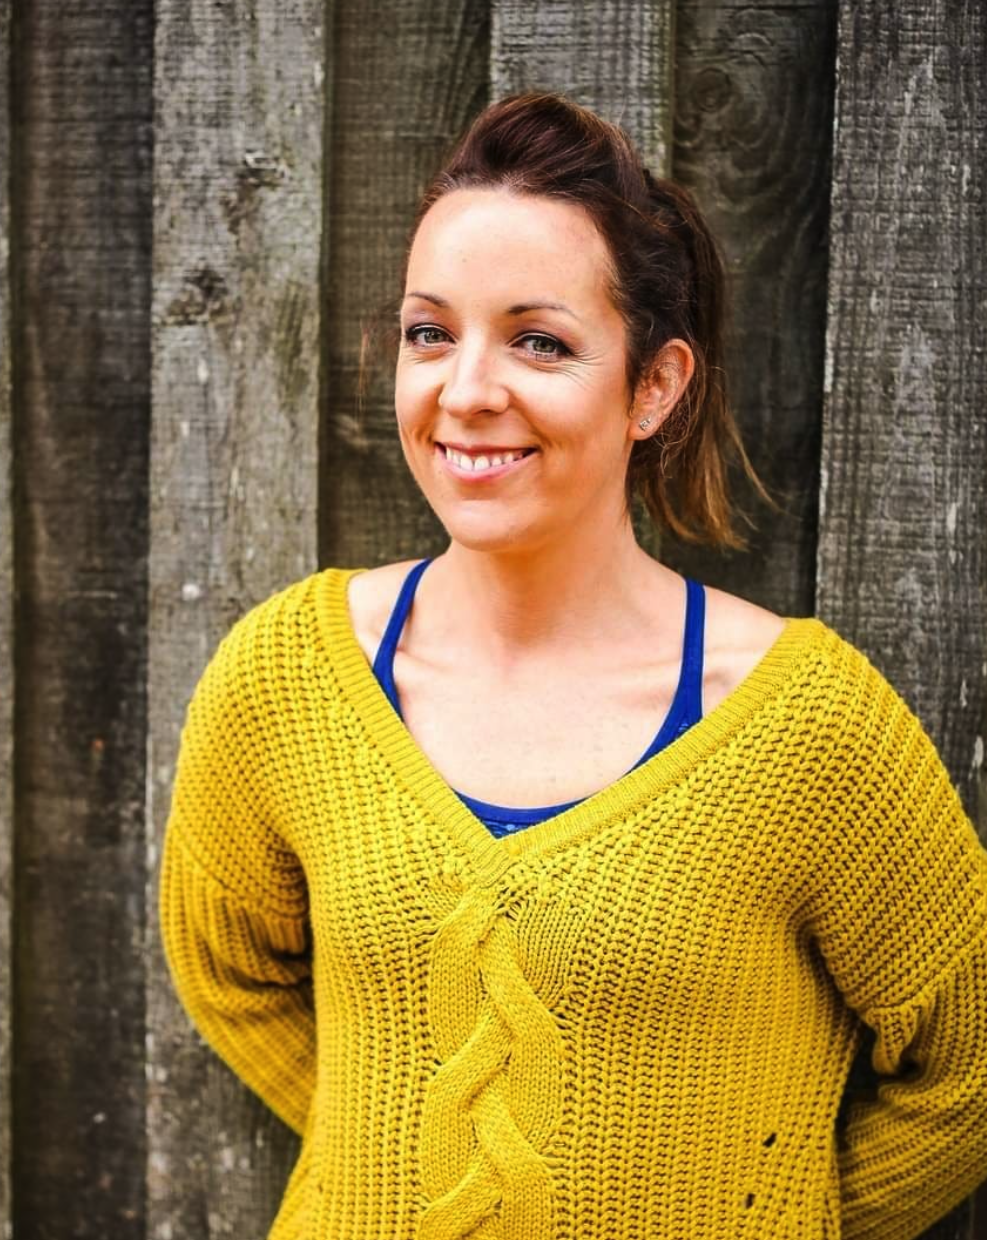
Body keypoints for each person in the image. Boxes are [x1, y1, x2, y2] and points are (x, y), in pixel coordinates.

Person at [159, 92, 987, 1240]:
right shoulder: (285, 676)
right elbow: (229, 971)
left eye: (538, 340)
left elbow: (968, 1065)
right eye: (429, 332)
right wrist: (416, 1174)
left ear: (655, 385)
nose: (465, 391)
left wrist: (762, 1214)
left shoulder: (806, 724)